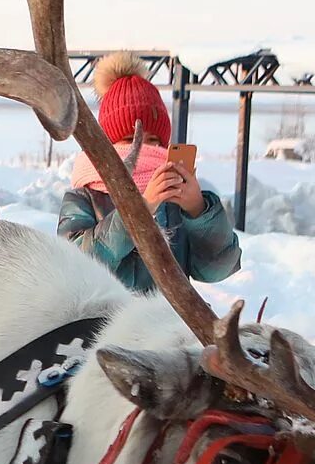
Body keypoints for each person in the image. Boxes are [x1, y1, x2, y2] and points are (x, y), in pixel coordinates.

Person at [57, 52, 240, 292]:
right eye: (130, 141)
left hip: (167, 324)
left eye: (153, 140)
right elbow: (73, 268)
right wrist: (139, 210)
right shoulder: (85, 196)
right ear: (108, 147)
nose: (143, 150)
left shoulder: (177, 200)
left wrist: (199, 211)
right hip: (105, 324)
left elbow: (219, 269)